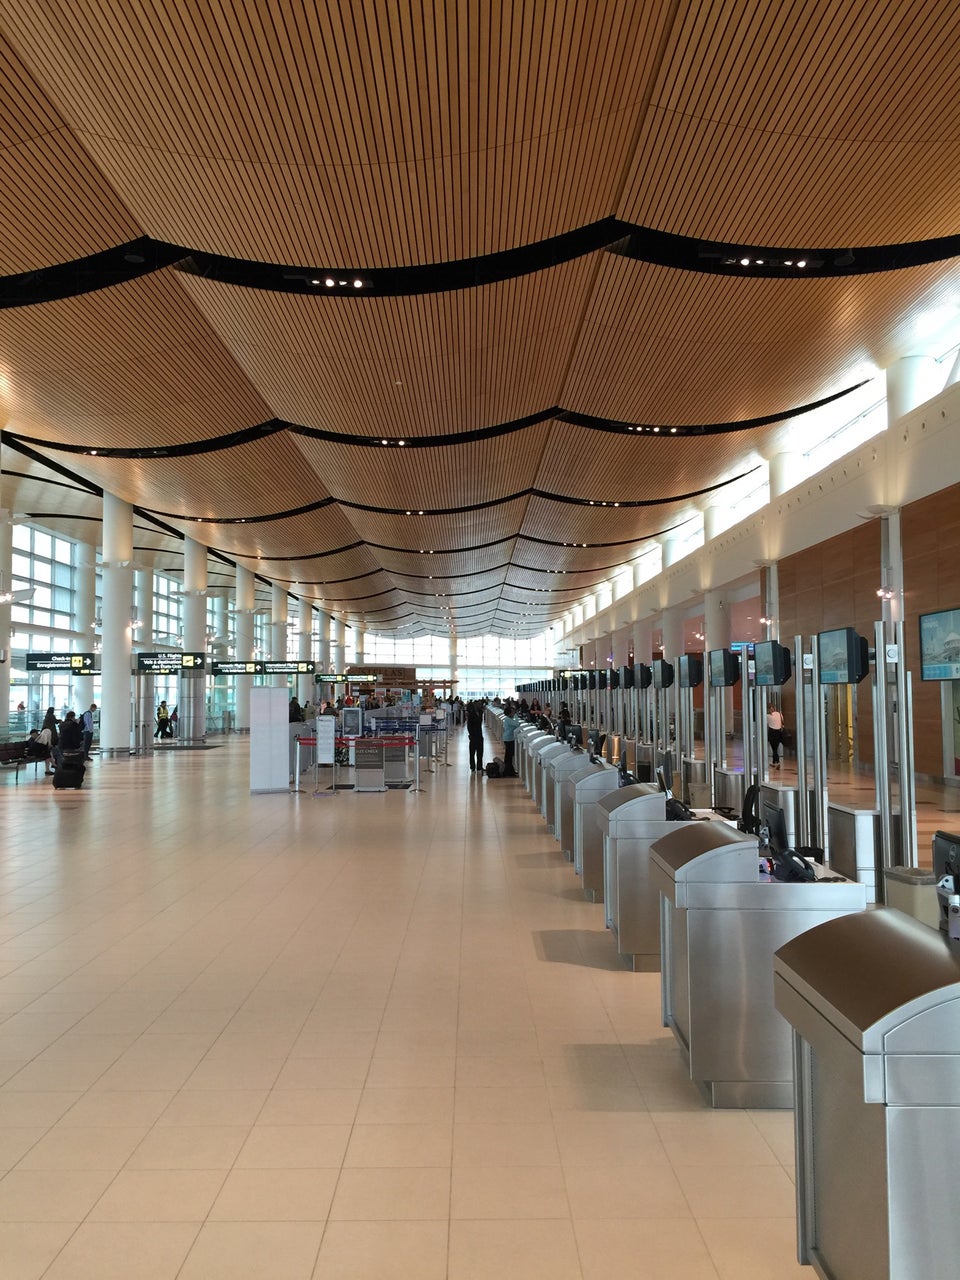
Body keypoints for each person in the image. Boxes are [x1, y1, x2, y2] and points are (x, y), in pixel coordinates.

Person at [501, 701, 520, 777]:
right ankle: (508, 771)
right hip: (509, 739)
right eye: (512, 712)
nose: (513, 713)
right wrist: (516, 716)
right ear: (510, 713)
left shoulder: (507, 719)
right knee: (509, 756)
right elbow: (517, 724)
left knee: (508, 756)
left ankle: (510, 771)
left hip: (508, 738)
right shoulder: (508, 720)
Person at [466, 699, 484, 774]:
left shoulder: (480, 713)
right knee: (472, 752)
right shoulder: (471, 714)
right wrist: (471, 734)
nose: (480, 706)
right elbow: (469, 726)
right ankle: (472, 767)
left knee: (480, 752)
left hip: (479, 735)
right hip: (473, 735)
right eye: (479, 705)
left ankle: (479, 767)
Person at [767, 703, 785, 769]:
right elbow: (783, 722)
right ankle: (774, 762)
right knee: (775, 748)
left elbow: (766, 723)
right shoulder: (779, 714)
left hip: (772, 733)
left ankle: (777, 762)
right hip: (779, 733)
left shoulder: (768, 716)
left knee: (774, 749)